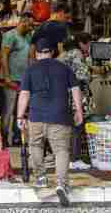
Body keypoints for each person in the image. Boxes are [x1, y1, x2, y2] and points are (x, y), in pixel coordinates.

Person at [17, 37, 83, 207]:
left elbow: (24, 94)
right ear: (52, 52)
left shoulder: (30, 70)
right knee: (61, 150)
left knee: (36, 146)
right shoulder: (64, 68)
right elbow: (76, 89)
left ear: (36, 53)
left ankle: (41, 178)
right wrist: (79, 111)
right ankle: (61, 184)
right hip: (60, 115)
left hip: (37, 116)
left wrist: (20, 116)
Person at [58, 33, 92, 170]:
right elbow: (83, 76)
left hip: (61, 95)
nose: (89, 47)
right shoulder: (77, 53)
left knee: (66, 127)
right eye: (88, 43)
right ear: (82, 43)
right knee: (78, 124)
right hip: (74, 94)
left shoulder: (64, 54)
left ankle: (65, 158)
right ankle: (75, 158)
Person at [1, 12, 34, 146]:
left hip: (24, 79)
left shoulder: (28, 37)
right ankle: (3, 137)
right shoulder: (10, 36)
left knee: (20, 111)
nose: (32, 27)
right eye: (30, 25)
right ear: (23, 22)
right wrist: (7, 77)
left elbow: (31, 57)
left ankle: (16, 137)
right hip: (12, 79)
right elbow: (4, 57)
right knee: (9, 109)